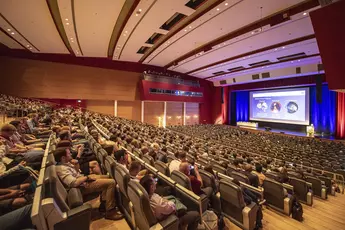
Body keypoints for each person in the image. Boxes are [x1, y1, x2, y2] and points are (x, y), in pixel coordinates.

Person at [54, 147, 123, 220]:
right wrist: (87, 178)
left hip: (83, 180)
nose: (70, 154)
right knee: (111, 183)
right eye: (68, 154)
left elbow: (78, 172)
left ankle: (104, 204)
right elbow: (73, 183)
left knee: (108, 177)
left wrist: (76, 163)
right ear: (63, 158)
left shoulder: (66, 163)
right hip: (81, 186)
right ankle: (110, 211)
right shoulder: (61, 169)